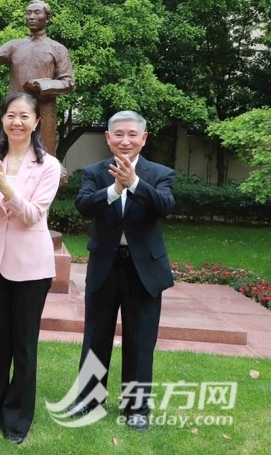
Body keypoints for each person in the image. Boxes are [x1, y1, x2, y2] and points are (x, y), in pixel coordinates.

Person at [66, 111, 176, 432]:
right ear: (108, 138)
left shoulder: (160, 173)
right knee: (96, 334)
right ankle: (89, 399)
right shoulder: (94, 172)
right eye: (118, 134)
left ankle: (136, 407)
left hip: (144, 269)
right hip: (104, 265)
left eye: (132, 134)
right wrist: (115, 189)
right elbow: (84, 205)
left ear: (144, 138)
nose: (125, 140)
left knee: (140, 340)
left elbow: (165, 205)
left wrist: (135, 184)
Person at [0, 92, 61, 445]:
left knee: (24, 345)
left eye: (25, 116)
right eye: (11, 115)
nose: (17, 122)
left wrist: (6, 189)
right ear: (3, 120)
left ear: (37, 122)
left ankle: (17, 420)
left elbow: (32, 215)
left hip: (31, 267)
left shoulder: (48, 166)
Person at [0, 0, 75, 159]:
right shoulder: (15, 46)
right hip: (16, 109)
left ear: (47, 18)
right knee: (13, 152)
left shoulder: (57, 49)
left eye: (37, 13)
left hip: (43, 109)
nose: (31, 16)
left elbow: (68, 82)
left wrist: (41, 85)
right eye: (28, 13)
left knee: (43, 155)